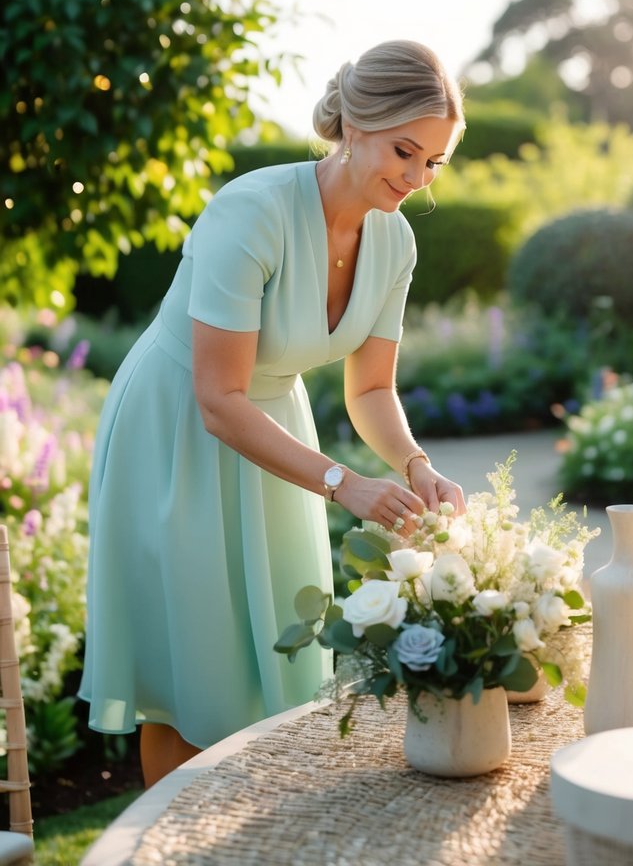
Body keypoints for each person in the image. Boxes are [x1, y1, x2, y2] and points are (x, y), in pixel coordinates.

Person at [79, 40, 467, 787]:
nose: (417, 178)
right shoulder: (251, 212)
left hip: (277, 432)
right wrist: (342, 484)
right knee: (186, 673)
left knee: (275, 661)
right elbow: (218, 399)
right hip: (178, 427)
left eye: (434, 163)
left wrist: (416, 466)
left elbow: (371, 391)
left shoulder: (396, 242)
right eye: (404, 150)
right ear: (355, 125)